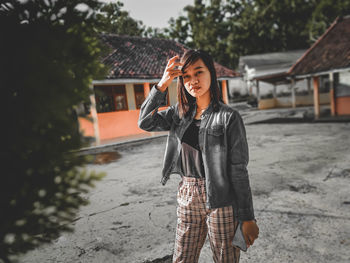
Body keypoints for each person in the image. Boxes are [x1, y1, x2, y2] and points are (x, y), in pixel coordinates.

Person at [138, 49, 259, 263]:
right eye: (186, 76)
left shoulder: (229, 117)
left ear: (211, 74)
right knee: (182, 258)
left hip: (221, 199)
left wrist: (247, 217)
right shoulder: (178, 114)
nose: (193, 80)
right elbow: (145, 122)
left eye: (199, 72)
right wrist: (163, 83)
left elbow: (239, 170)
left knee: (225, 259)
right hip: (187, 195)